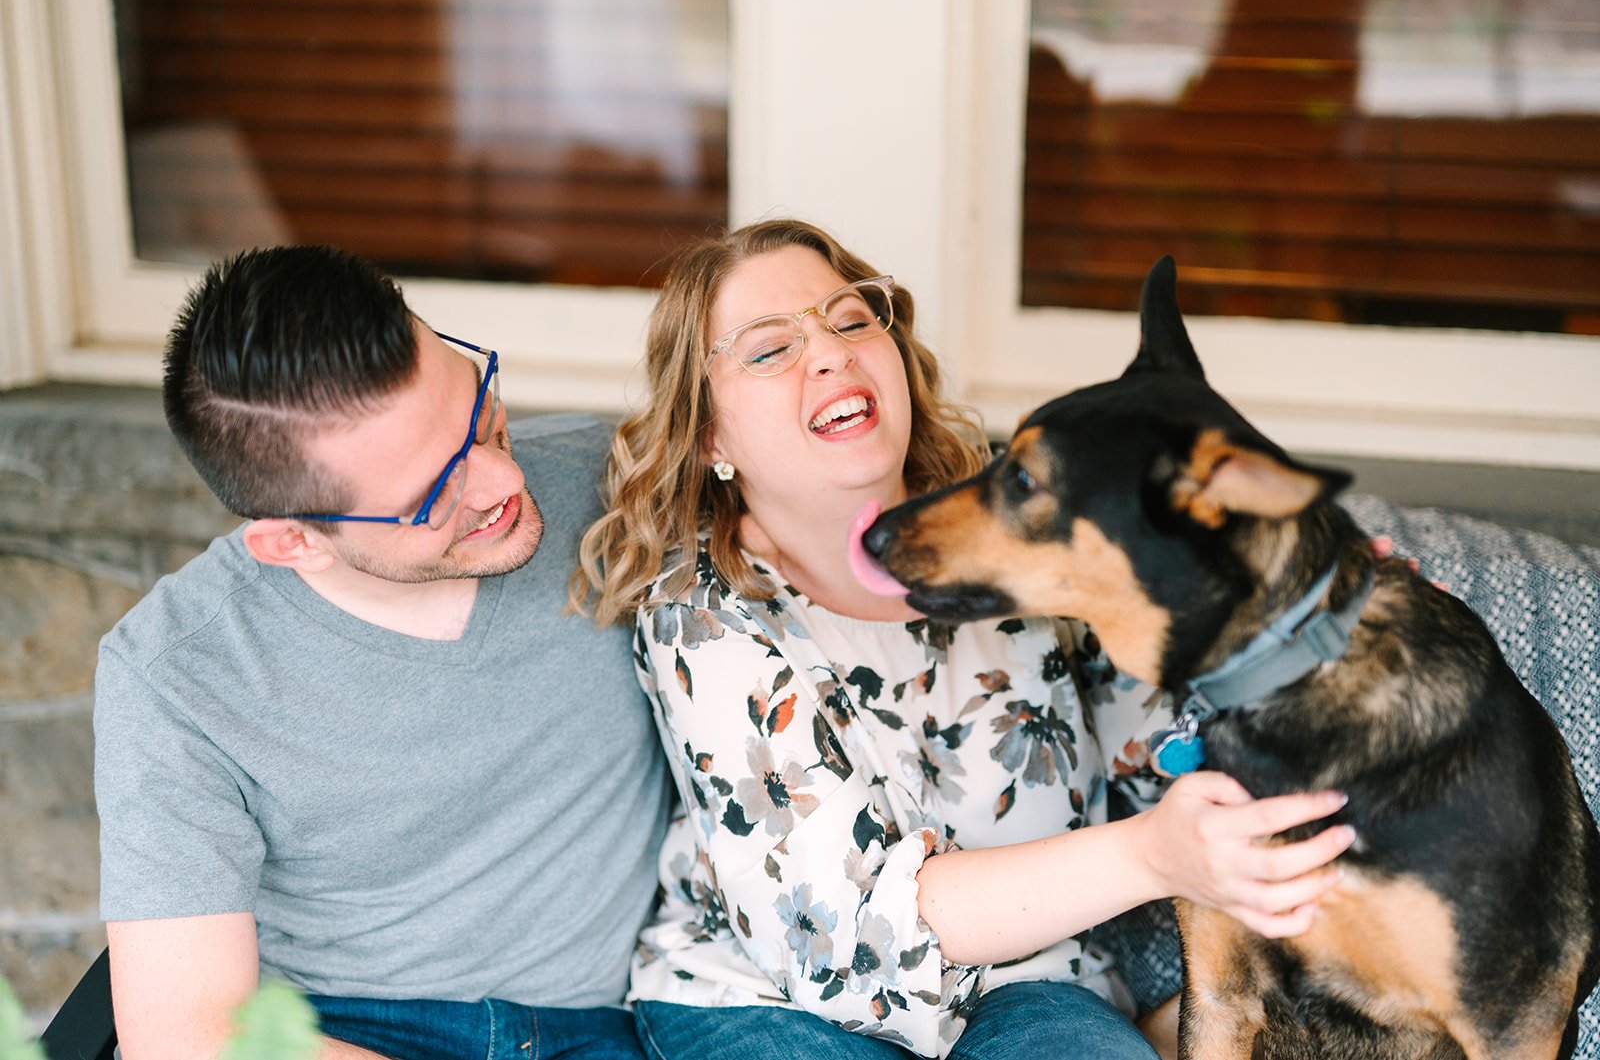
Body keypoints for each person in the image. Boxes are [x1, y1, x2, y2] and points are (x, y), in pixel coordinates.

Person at [570, 219, 1355, 1060]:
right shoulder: (702, 606)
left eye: (849, 319)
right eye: (769, 349)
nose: (830, 353)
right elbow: (846, 941)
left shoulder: (1027, 521)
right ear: (708, 437)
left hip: (1033, 984)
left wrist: (1319, 613)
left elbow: (1159, 741)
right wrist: (1151, 856)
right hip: (769, 1004)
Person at [93, 245, 670, 1060]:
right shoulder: (176, 675)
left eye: (481, 413)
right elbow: (189, 1040)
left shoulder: (618, 488)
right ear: (291, 541)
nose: (503, 480)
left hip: (631, 1020)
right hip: (347, 1033)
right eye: (433, 496)